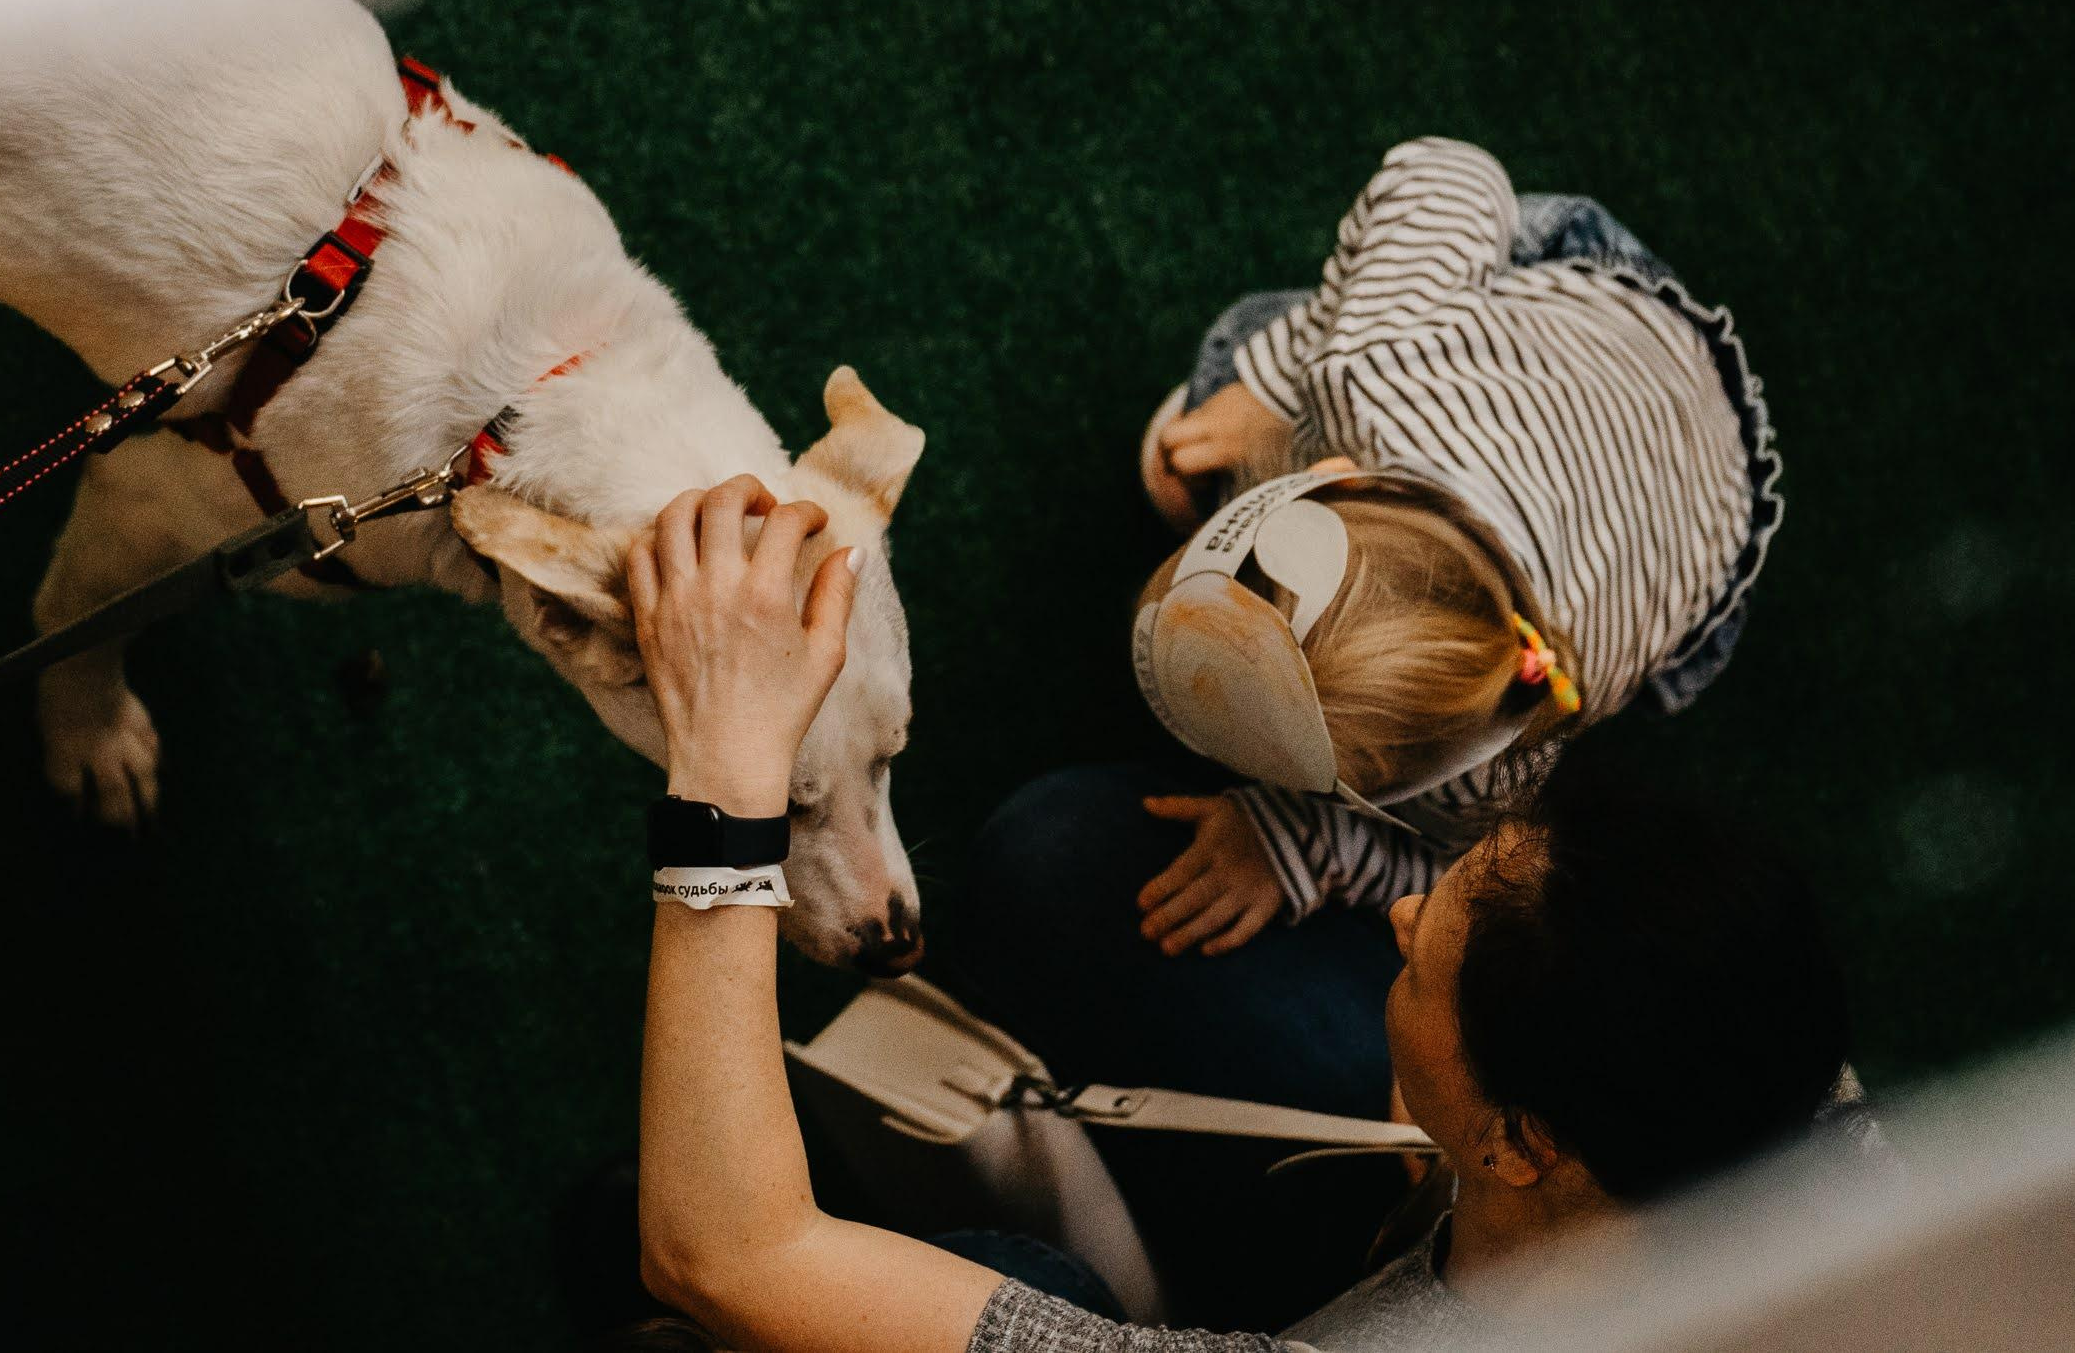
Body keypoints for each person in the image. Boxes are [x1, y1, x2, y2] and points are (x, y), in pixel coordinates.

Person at [628, 476, 1850, 1353]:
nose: (1404, 912)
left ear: (1521, 1142)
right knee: (1063, 864)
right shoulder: (1801, 1113)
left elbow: (731, 1254)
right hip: (1452, 1211)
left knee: (1004, 1280)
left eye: (1443, 942)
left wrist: (729, 765)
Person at [944, 136, 1786, 1316]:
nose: (1403, 913)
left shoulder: (1496, 764)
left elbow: (1436, 855)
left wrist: (1299, 843)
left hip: (1684, 514)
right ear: (1334, 471)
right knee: (1208, 420)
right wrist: (1270, 404)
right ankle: (1249, 403)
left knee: (1166, 458)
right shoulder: (1377, 371)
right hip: (1592, 307)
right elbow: (1447, 173)